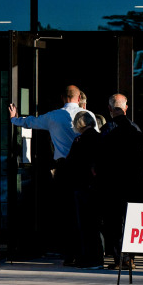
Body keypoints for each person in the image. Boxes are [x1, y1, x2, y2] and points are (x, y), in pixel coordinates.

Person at [97, 93, 143, 271]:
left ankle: (120, 259)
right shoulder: (135, 129)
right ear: (126, 108)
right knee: (131, 221)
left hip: (112, 184)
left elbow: (99, 160)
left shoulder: (106, 130)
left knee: (114, 222)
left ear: (110, 109)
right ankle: (130, 258)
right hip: (132, 184)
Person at [63, 110, 104, 269]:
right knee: (96, 225)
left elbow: (71, 163)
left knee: (86, 225)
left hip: (83, 186)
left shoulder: (80, 141)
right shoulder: (101, 139)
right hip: (98, 186)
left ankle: (90, 259)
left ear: (79, 124)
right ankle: (98, 258)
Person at [7, 85, 91, 162]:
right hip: (85, 164)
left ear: (62, 98)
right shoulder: (89, 115)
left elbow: (31, 122)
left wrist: (14, 119)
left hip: (64, 165)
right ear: (79, 98)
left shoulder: (53, 116)